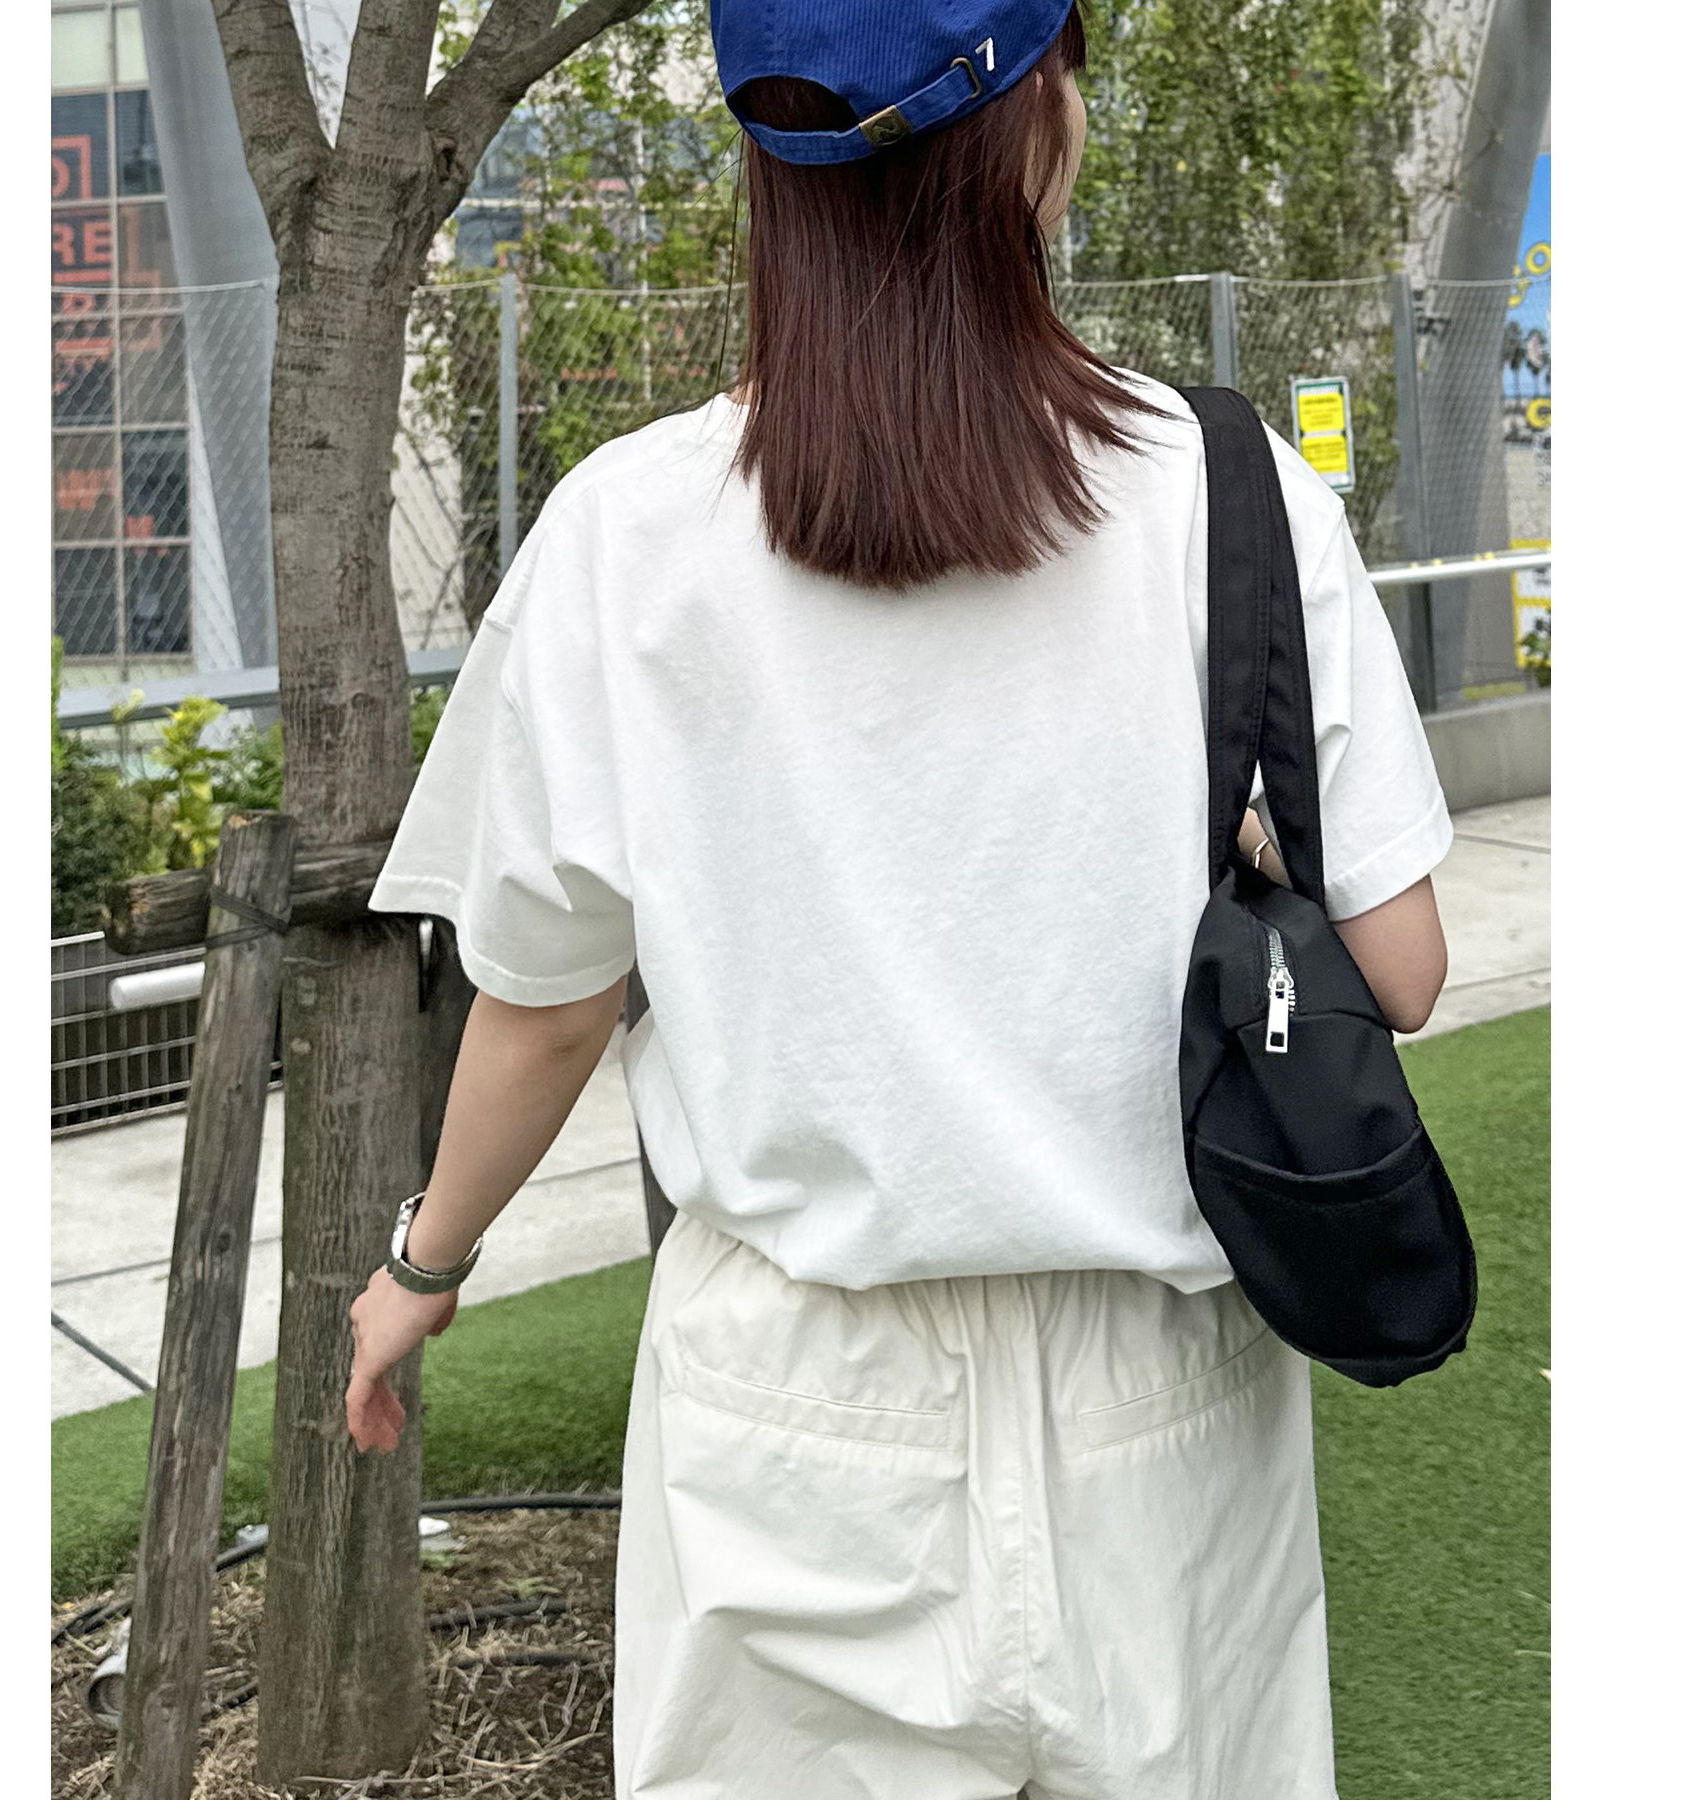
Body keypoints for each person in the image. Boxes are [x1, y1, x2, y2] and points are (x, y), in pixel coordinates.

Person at [347, 3, 1453, 1794]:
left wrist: (424, 1266)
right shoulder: (1235, 494)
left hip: (789, 1400)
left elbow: (546, 1008)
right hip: (1162, 1396)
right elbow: (1399, 969)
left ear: (766, 163)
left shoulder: (628, 533)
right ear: (1044, 119)